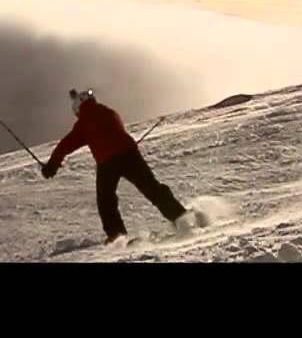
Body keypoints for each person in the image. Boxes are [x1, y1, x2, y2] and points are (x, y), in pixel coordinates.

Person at [41, 88, 196, 244]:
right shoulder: (108, 111)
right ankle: (180, 216)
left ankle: (116, 235)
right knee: (151, 187)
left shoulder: (84, 122)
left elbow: (66, 144)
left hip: (107, 162)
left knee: (106, 200)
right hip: (129, 154)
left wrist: (52, 165)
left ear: (77, 109)